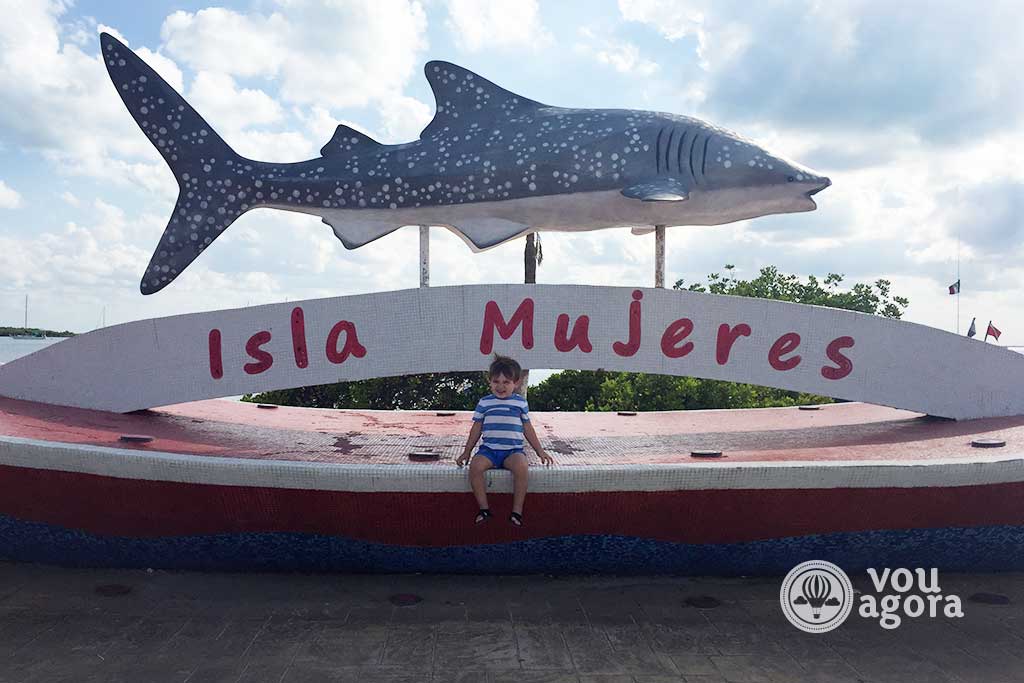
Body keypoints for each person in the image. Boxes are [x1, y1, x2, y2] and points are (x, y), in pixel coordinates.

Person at [456, 354, 553, 526]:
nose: (500, 386)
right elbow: (476, 428)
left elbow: (528, 429)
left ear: (516, 383)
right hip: (489, 451)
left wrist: (540, 451)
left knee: (522, 468)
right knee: (475, 467)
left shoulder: (520, 403)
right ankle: (484, 509)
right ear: (490, 382)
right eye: (496, 382)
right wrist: (467, 451)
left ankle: (517, 511)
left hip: (513, 451)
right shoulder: (484, 403)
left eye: (506, 382)